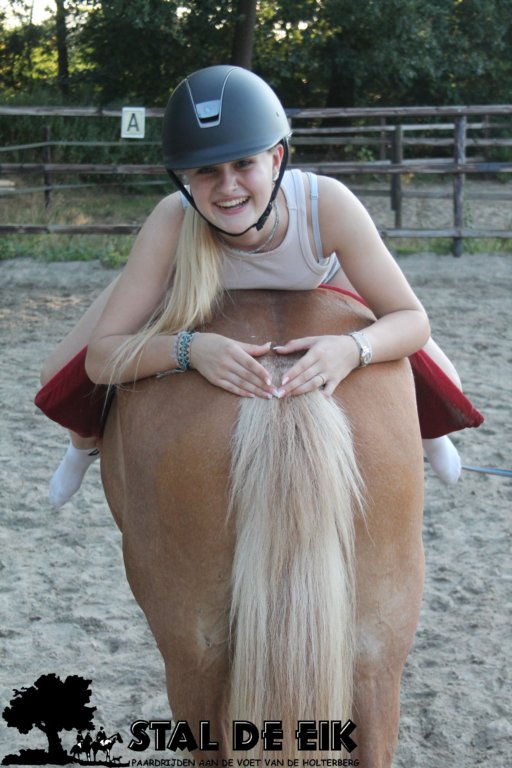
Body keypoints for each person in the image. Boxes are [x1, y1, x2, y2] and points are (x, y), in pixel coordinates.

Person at [38, 65, 481, 507]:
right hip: (186, 279)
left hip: (317, 274)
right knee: (56, 372)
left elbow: (413, 318)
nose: (227, 186)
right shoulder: (172, 220)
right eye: (206, 170)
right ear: (184, 177)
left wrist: (352, 347)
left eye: (244, 163)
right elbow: (102, 358)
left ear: (276, 159)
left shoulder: (326, 203)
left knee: (447, 379)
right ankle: (82, 447)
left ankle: (429, 432)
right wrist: (189, 349)